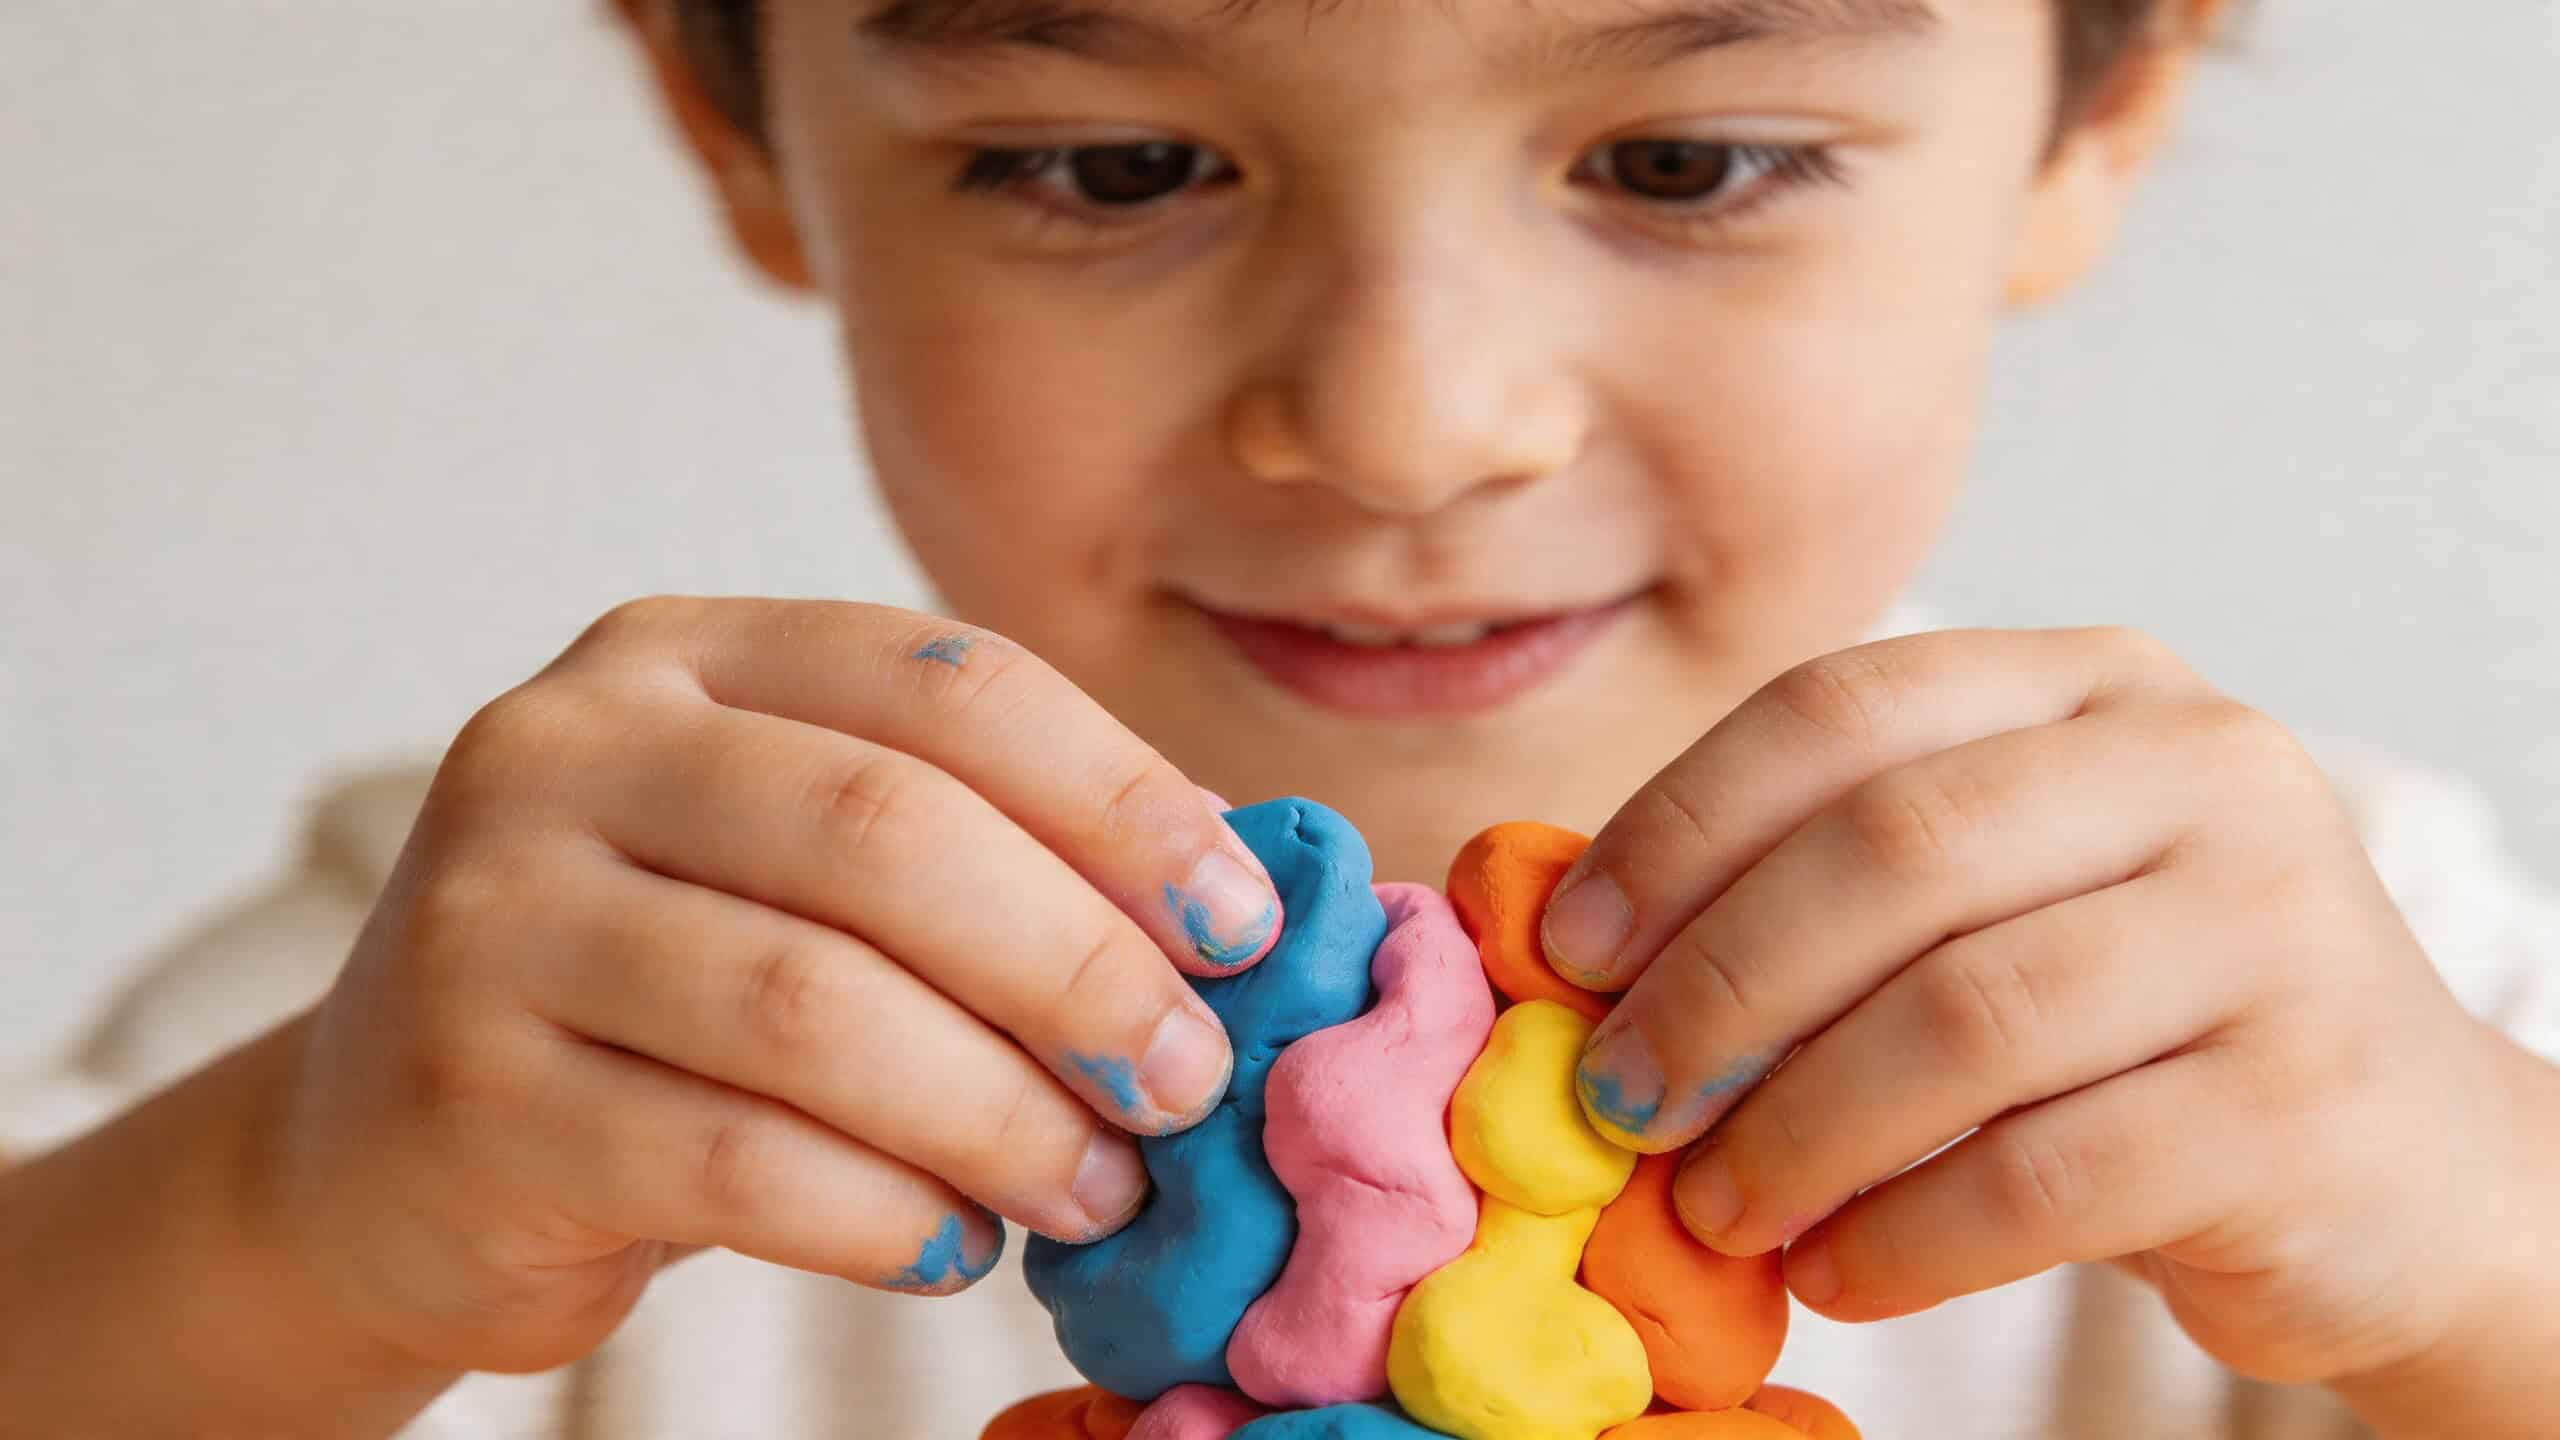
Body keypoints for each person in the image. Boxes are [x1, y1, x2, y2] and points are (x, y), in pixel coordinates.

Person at [3, 0, 2554, 1435]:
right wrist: (272, 1236)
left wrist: (2471, 1233)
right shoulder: (517, 1006)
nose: (1405, 420)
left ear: (2089, 114)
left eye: (1685, 154)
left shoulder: (2321, 995)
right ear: (738, 116)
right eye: (1105, 165)